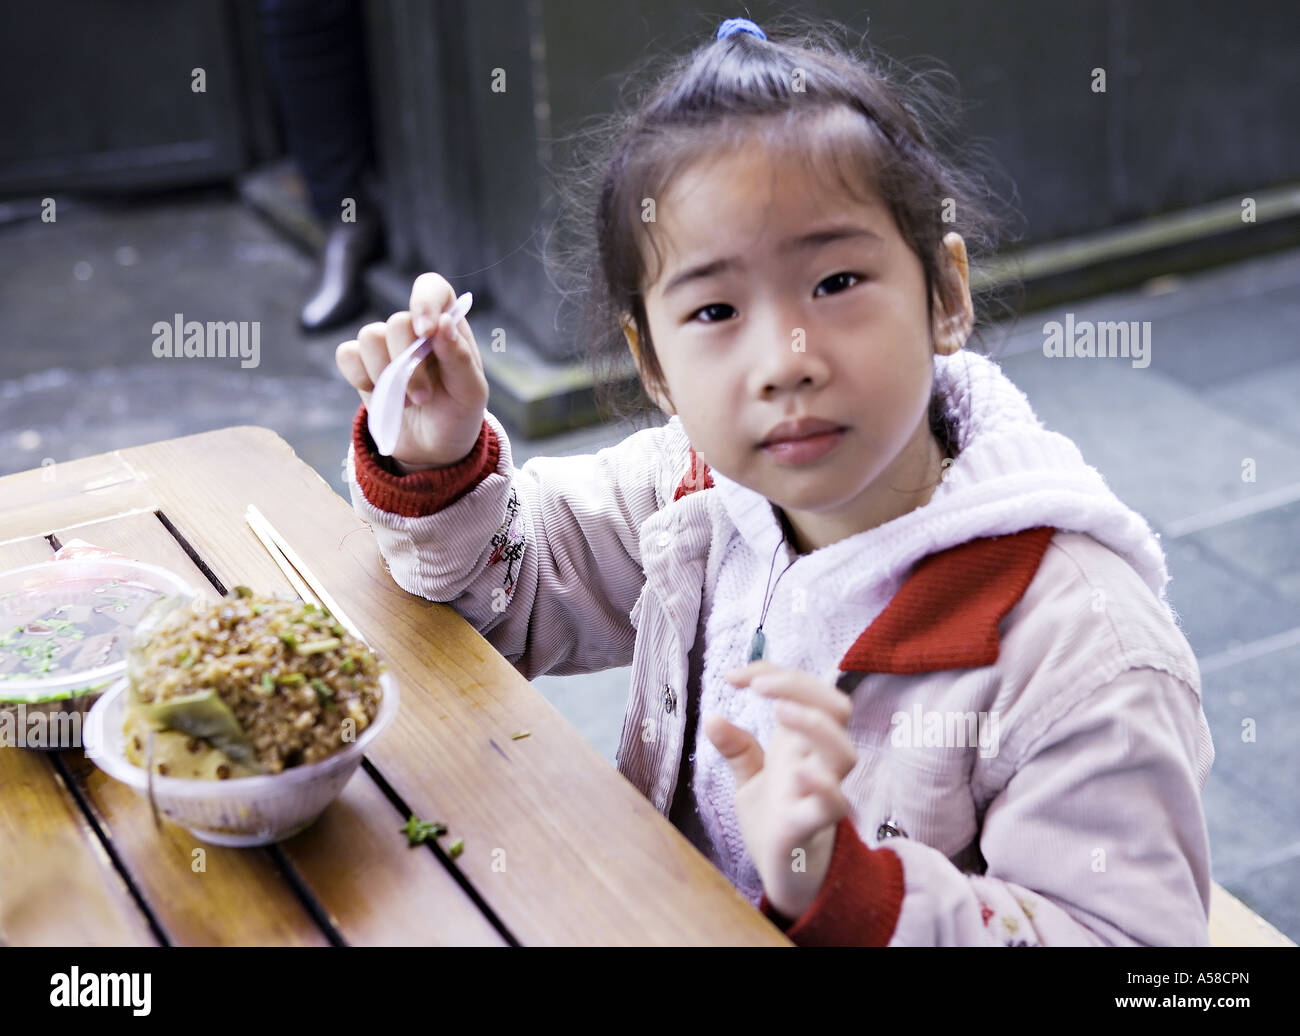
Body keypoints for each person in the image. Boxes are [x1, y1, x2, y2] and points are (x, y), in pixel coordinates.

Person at [333, 16, 1214, 945]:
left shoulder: (1078, 644)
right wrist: (437, 456)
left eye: (835, 282)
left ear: (945, 296)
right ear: (656, 368)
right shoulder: (697, 489)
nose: (784, 360)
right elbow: (511, 588)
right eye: (715, 308)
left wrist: (851, 889)